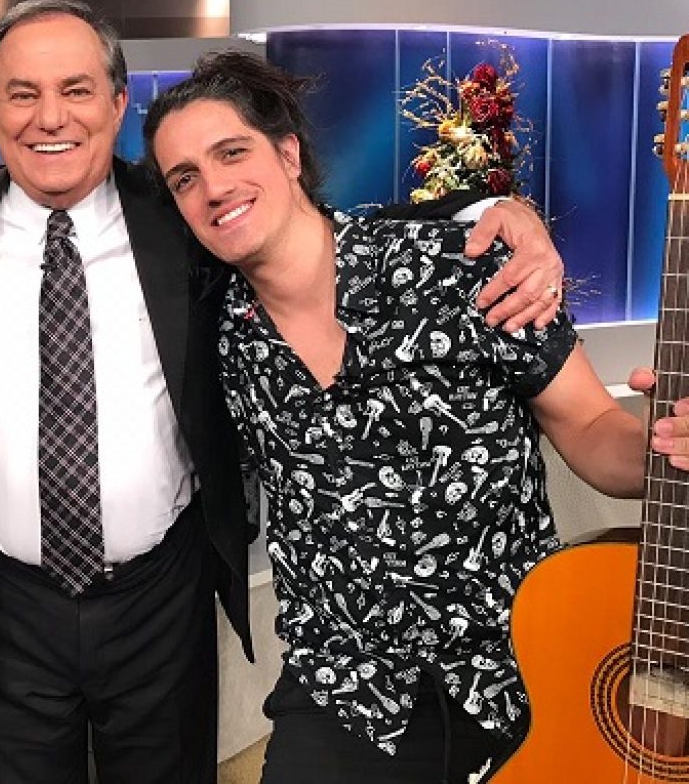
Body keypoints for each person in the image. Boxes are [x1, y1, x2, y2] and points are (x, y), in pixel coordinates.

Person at [0, 0, 565, 784]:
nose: (50, 116)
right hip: (3, 605)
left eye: (77, 89)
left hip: (161, 601)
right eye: (22, 94)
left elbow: (311, 223)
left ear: (118, 104)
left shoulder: (180, 214)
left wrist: (497, 210)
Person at [142, 50, 689, 783]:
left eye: (231, 152)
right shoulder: (211, 335)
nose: (213, 187)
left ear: (288, 154)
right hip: (344, 690)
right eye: (184, 178)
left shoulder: (458, 264)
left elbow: (590, 428)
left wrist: (663, 447)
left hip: (520, 667)